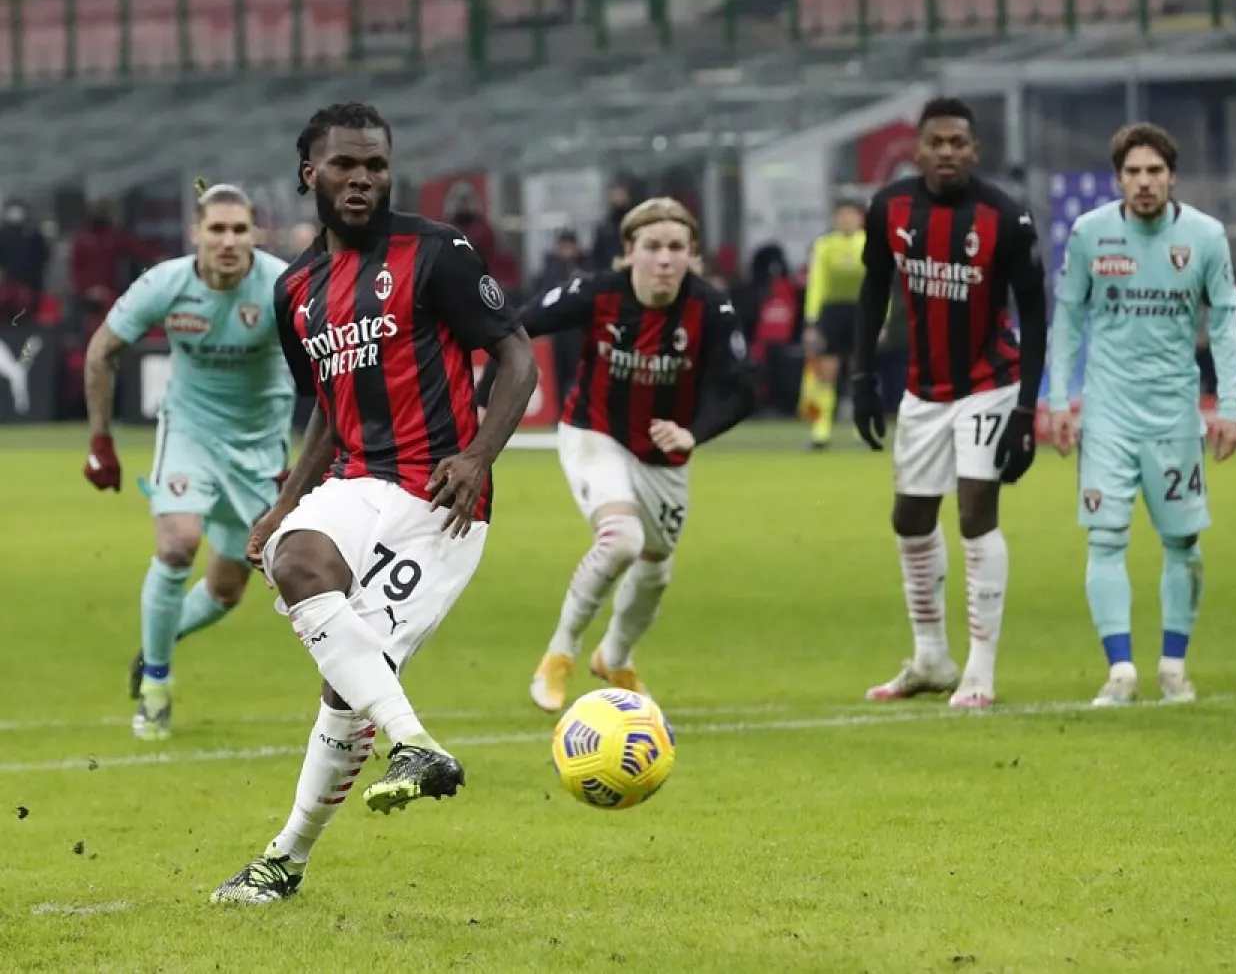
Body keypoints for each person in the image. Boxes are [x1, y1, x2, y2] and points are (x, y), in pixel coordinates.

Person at [211, 102, 537, 904]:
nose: (362, 180)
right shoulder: (296, 290)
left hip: (441, 495)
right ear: (308, 174)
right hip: (357, 479)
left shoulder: (437, 252)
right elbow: (329, 404)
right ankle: (417, 743)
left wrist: (479, 453)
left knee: (346, 688)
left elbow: (516, 354)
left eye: (376, 166)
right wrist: (282, 503)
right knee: (297, 558)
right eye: (345, 166)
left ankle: (283, 859)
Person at [851, 96, 1049, 709]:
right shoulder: (890, 209)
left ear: (975, 150)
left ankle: (981, 673)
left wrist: (1025, 412)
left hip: (991, 383)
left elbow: (1036, 313)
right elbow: (873, 288)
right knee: (909, 518)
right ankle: (932, 659)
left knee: (973, 514)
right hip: (923, 390)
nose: (946, 153)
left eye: (957, 143)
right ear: (918, 149)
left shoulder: (1006, 218)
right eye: (935, 142)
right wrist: (860, 376)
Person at [524, 197, 755, 714]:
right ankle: (559, 654)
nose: (665, 259)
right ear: (630, 252)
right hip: (594, 431)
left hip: (663, 457)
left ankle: (615, 657)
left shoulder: (710, 307)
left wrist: (693, 433)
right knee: (622, 539)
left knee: (655, 570)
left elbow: (741, 391)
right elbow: (520, 325)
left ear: (693, 254)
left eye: (677, 248)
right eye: (653, 247)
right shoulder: (598, 291)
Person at [82, 180, 294, 740]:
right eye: (217, 229)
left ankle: (160, 639)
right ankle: (156, 687)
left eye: (239, 230)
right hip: (190, 433)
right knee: (177, 545)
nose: (228, 240)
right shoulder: (165, 283)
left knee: (226, 590)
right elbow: (103, 349)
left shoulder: (281, 285)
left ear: (255, 235)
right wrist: (101, 442)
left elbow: (326, 363)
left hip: (259, 447)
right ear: (196, 233)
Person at [1047, 123, 1236, 706]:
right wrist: (1060, 400)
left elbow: (1228, 323)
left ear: (1172, 176)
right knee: (1105, 539)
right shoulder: (1090, 234)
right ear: (1118, 179)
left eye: (1154, 171)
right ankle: (1121, 672)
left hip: (1174, 416)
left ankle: (1174, 667)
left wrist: (1230, 406)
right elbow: (1068, 320)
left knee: (1182, 543)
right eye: (1133, 172)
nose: (1144, 182)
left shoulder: (1206, 237)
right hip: (1108, 414)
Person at [798, 198, 866, 449]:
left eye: (851, 215)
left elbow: (880, 286)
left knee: (861, 371)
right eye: (841, 215)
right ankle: (821, 431)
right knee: (826, 372)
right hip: (833, 312)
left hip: (862, 312)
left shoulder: (871, 244)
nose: (846, 220)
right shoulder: (824, 246)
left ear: (860, 219)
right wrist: (812, 320)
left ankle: (862, 429)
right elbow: (817, 283)